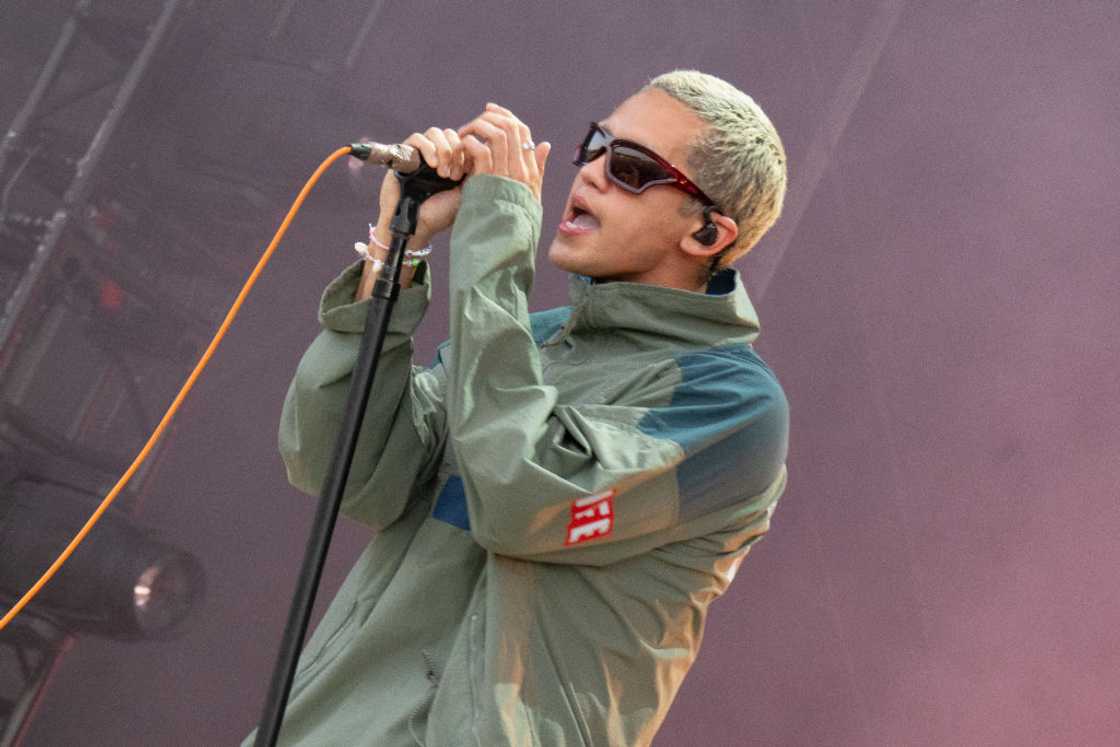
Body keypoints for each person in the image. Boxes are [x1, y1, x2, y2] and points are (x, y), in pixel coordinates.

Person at [248, 70, 789, 746]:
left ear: (708, 234)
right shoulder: (523, 340)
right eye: (595, 146)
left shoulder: (733, 405)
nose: (588, 174)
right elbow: (341, 467)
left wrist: (498, 237)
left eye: (628, 168)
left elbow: (521, 495)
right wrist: (400, 247)